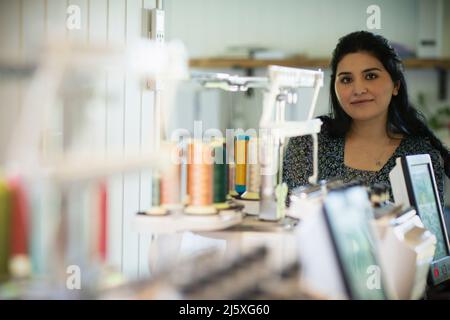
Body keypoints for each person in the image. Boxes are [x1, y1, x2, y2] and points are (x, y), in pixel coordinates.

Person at [283, 30, 449, 205]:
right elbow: (288, 218)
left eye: (371, 76)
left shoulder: (419, 156)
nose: (358, 89)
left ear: (396, 86)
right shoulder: (309, 143)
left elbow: (426, 230)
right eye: (346, 79)